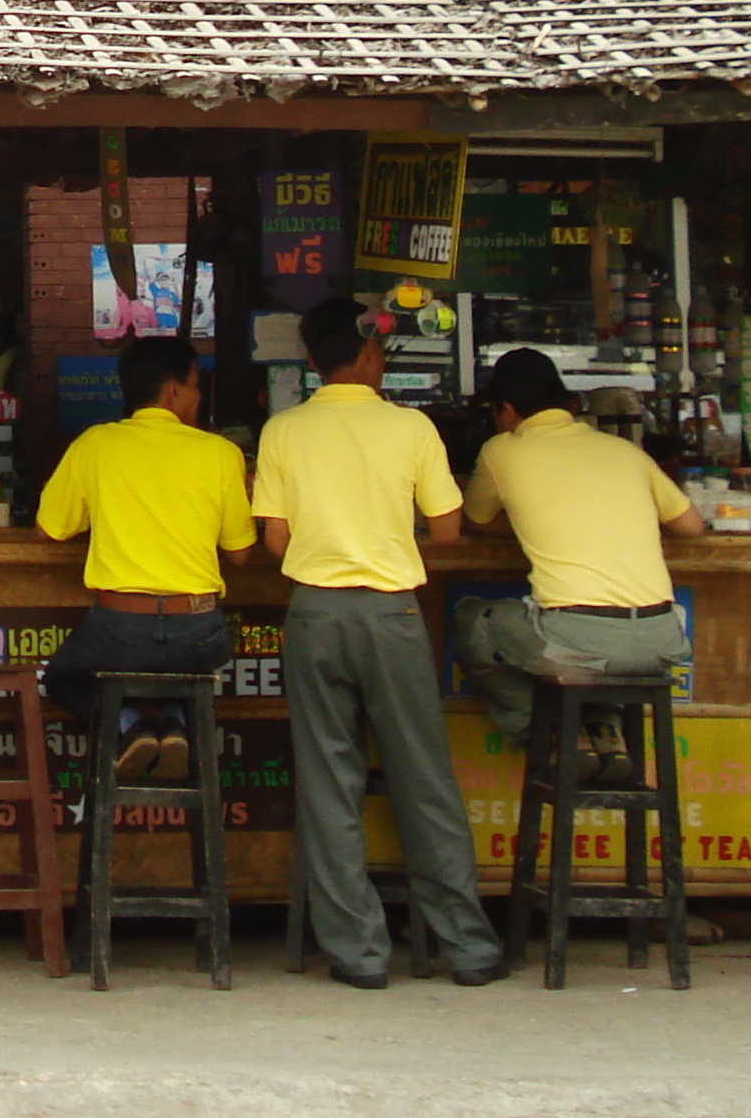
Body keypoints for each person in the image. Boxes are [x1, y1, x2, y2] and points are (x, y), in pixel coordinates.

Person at [251, 295, 507, 989]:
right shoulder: (413, 428)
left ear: (310, 361)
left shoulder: (283, 431)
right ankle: (468, 947)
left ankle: (359, 954)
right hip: (392, 615)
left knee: (330, 786)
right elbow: (449, 530)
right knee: (423, 778)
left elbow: (275, 541)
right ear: (369, 353)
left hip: (315, 615)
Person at [454, 347, 705, 782]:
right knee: (589, 661)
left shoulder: (501, 450)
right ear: (567, 403)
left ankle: (552, 735)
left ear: (506, 410)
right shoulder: (623, 451)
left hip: (578, 641)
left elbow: (477, 522)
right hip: (662, 640)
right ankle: (606, 733)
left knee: (474, 622)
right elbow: (691, 527)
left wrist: (533, 514)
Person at [35, 337, 255, 780]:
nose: (199, 395)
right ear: (172, 391)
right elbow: (241, 553)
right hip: (199, 634)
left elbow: (50, 529)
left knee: (62, 676)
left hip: (118, 633)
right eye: (195, 385)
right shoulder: (221, 454)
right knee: (191, 670)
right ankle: (175, 719)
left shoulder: (95, 444)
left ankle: (130, 726)